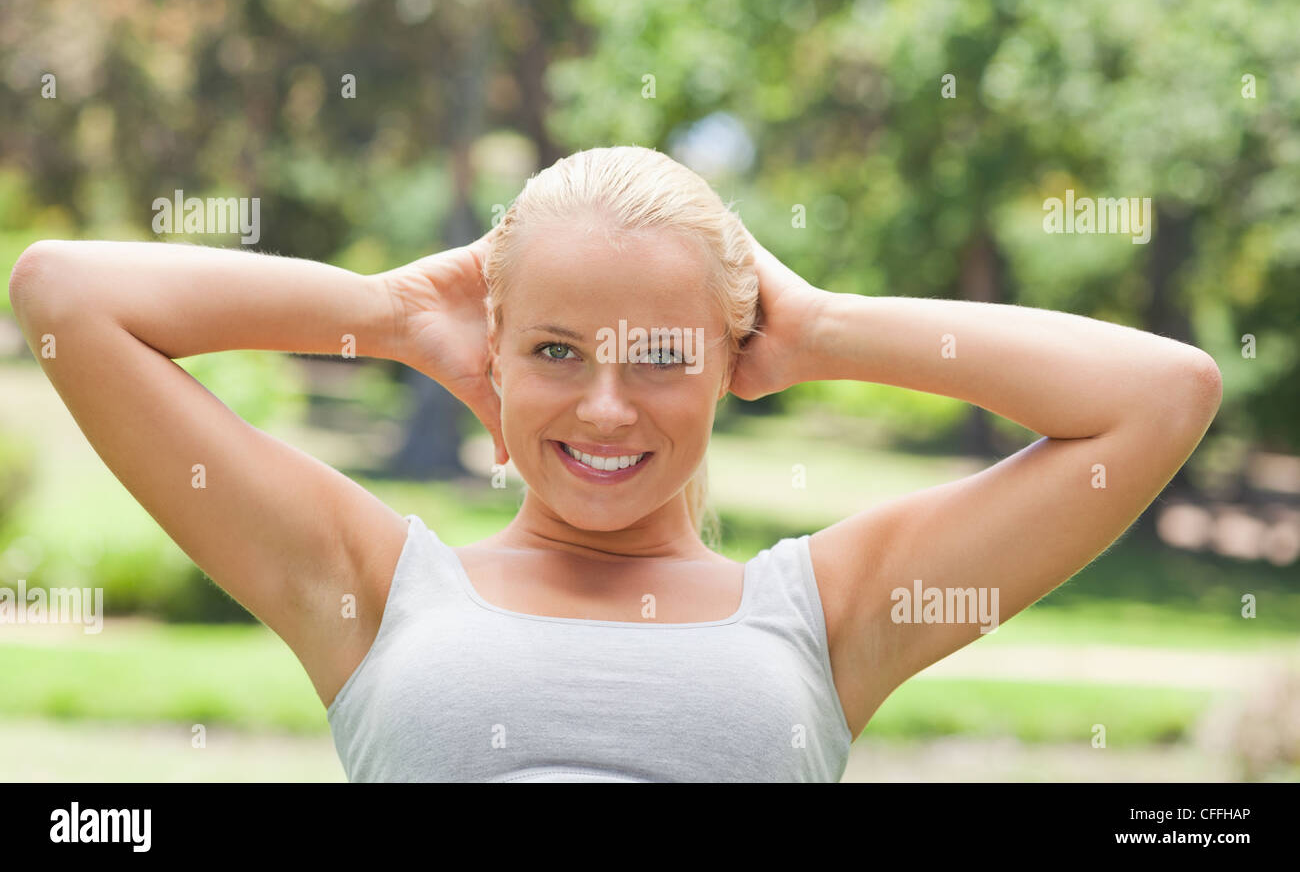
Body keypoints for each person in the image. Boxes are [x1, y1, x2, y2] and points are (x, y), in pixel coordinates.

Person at [8, 145, 1222, 782]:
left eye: (657, 355)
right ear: (493, 352)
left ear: (725, 364)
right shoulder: (369, 585)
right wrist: (384, 311)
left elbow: (1160, 395)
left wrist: (817, 330)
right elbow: (64, 296)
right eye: (553, 348)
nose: (602, 404)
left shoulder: (833, 612)